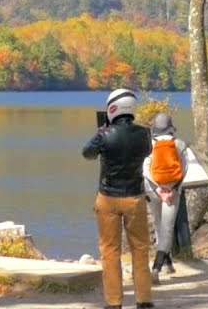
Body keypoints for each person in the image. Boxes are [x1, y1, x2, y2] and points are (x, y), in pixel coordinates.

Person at [83, 88, 155, 309]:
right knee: (140, 249)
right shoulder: (144, 134)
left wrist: (100, 133)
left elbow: (87, 153)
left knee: (110, 250)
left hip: (108, 197)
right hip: (135, 197)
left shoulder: (104, 135)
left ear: (112, 108)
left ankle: (114, 302)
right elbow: (147, 150)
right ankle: (144, 300)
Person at [141, 112, 189, 280]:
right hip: (172, 190)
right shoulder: (180, 144)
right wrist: (173, 190)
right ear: (171, 128)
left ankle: (165, 264)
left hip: (152, 190)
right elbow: (185, 169)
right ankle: (157, 268)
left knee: (158, 224)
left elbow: (145, 169)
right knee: (167, 228)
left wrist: (157, 190)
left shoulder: (149, 144)